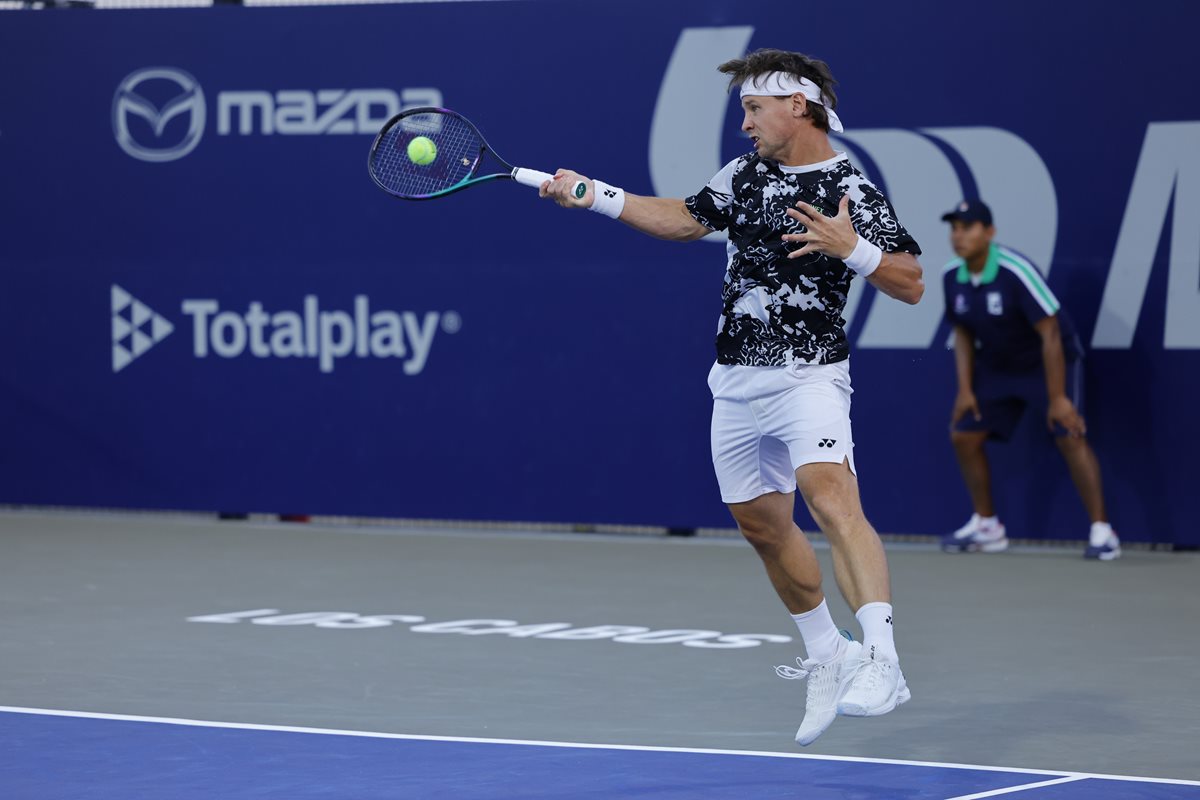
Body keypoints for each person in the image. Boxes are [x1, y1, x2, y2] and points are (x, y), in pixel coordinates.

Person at [539, 49, 924, 745]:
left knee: (831, 498)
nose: (744, 123)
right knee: (763, 528)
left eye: (754, 108)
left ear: (798, 106)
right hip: (736, 382)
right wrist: (594, 194)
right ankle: (828, 654)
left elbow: (911, 282)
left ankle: (882, 661)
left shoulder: (851, 188)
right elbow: (684, 219)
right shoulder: (743, 175)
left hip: (809, 374)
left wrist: (854, 250)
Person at [940, 199, 1120, 560]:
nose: (959, 236)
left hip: (1047, 361)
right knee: (964, 434)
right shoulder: (951, 276)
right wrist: (965, 389)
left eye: (968, 227)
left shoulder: (1016, 270)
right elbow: (962, 334)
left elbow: (1050, 332)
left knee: (1069, 433)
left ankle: (1103, 533)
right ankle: (987, 527)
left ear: (989, 232)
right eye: (954, 228)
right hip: (999, 366)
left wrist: (1058, 397)